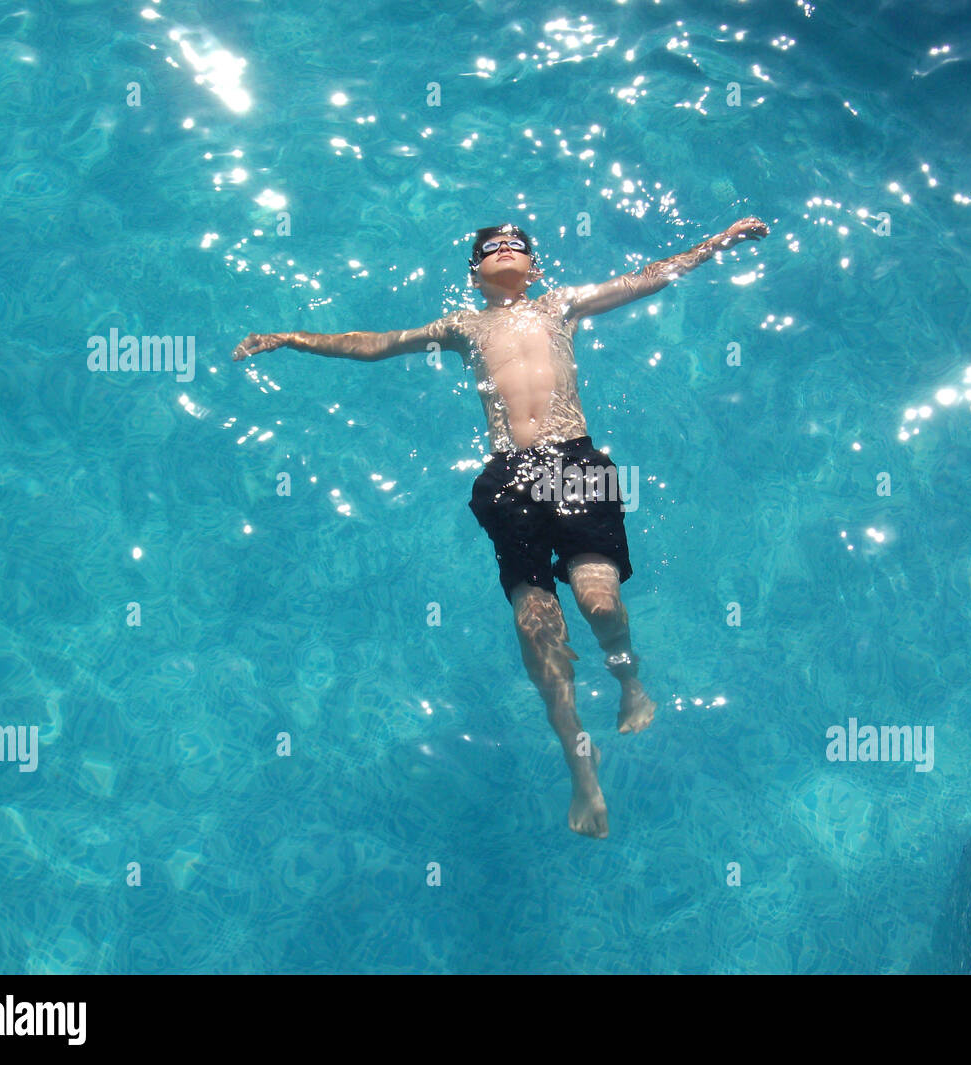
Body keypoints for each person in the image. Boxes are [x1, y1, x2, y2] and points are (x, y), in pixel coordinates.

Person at [233, 215, 770, 837]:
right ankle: (581, 766)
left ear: (535, 266)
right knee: (535, 624)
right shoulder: (462, 328)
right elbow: (376, 343)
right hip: (508, 479)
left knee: (599, 604)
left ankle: (629, 681)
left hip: (574, 460)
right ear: (475, 272)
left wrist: (720, 241)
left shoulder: (560, 306)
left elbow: (650, 277)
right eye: (491, 247)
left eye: (516, 244)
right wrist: (291, 338)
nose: (505, 250)